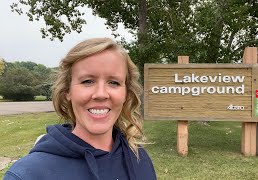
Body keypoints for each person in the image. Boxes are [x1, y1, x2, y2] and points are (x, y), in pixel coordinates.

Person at [4, 38, 157, 180]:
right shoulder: (28, 174)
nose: (101, 94)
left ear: (126, 93)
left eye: (114, 82)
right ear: (67, 91)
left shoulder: (139, 158)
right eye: (88, 81)